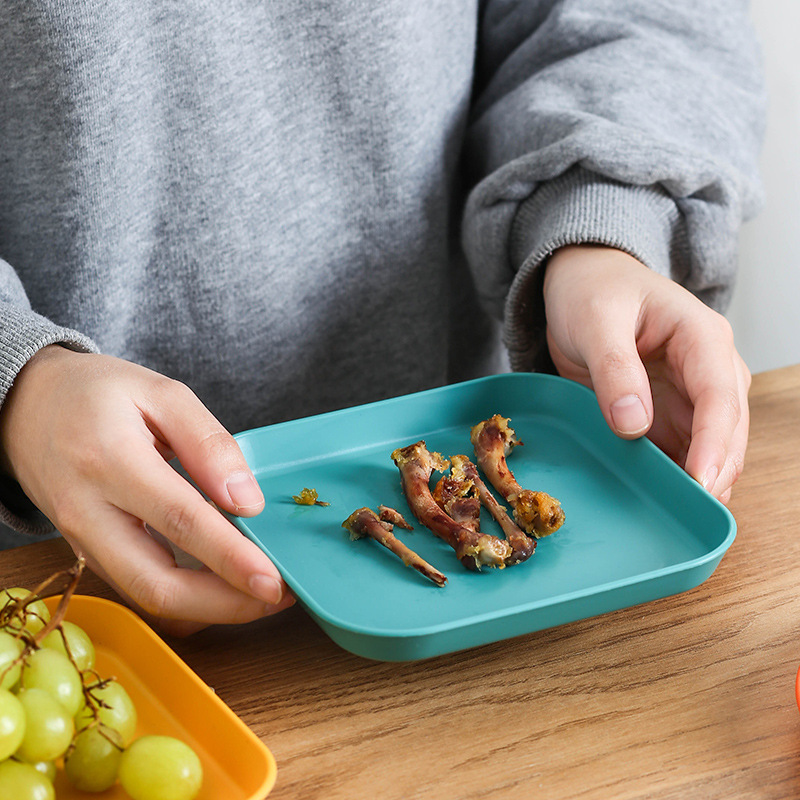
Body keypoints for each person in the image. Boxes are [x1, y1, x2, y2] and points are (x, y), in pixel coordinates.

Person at [0, 2, 765, 632]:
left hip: (523, 610)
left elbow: (647, 18)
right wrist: (19, 378)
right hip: (54, 587)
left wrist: (599, 225)